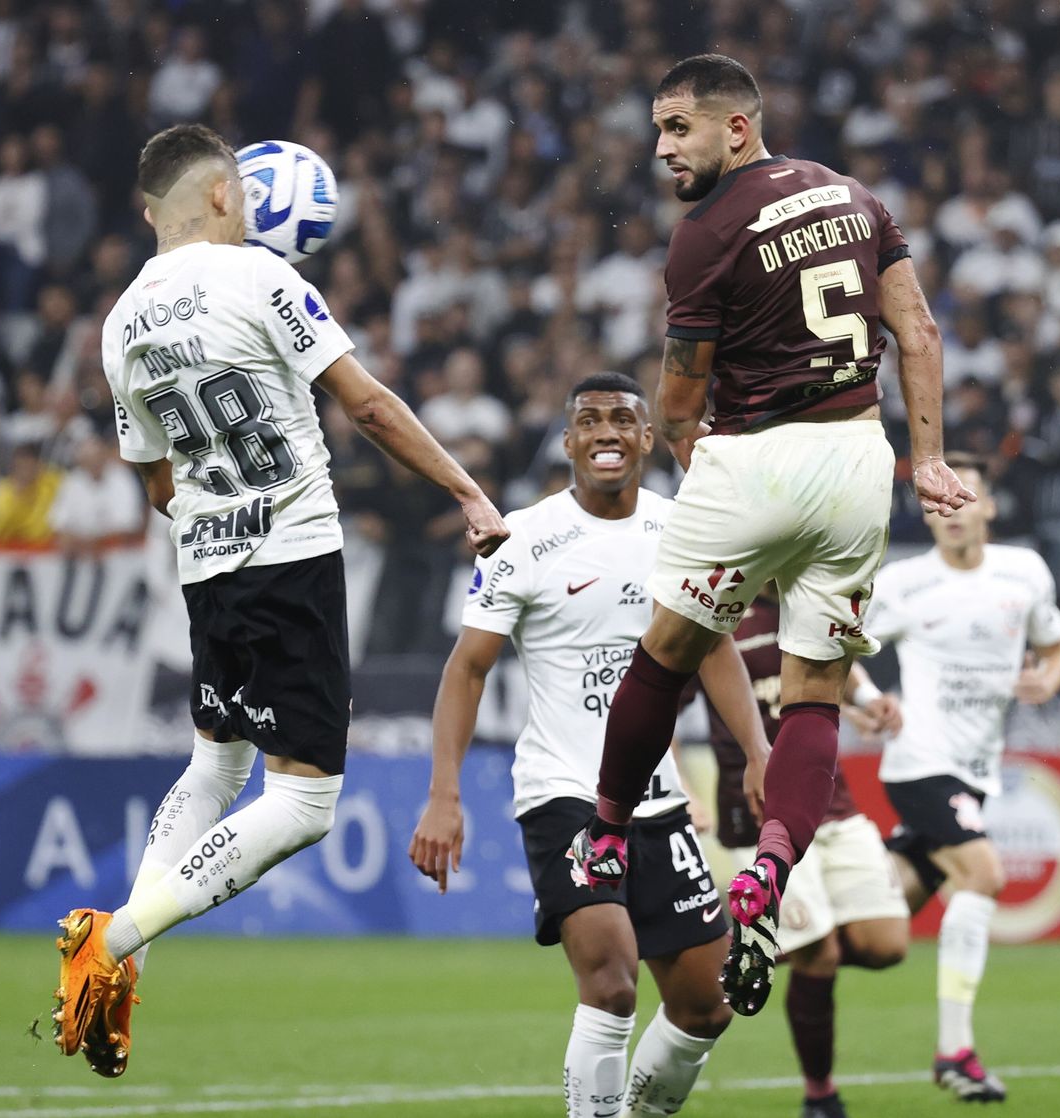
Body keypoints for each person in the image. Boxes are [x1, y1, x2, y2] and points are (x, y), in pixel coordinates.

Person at [52, 123, 508, 1078]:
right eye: (247, 199)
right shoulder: (260, 278)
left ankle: (114, 971)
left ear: (150, 212)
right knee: (304, 804)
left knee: (214, 767)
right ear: (222, 195)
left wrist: (219, 511)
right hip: (290, 562)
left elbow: (157, 486)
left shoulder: (120, 322)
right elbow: (369, 405)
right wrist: (466, 489)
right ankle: (117, 941)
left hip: (206, 570)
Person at [565, 53, 975, 1021]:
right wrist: (926, 459)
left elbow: (677, 394)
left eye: (677, 128)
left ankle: (608, 833)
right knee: (815, 695)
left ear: (735, 128)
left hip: (751, 456)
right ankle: (777, 864)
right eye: (657, 130)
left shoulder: (701, 233)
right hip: (852, 460)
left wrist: (687, 453)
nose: (661, 148)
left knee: (664, 655)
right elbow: (914, 330)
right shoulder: (857, 198)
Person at [410, 373, 770, 1118]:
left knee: (708, 1005)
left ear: (646, 438)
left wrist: (759, 752)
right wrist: (443, 795)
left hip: (659, 800)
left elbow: (716, 652)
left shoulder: (684, 531)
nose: (606, 432)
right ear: (569, 441)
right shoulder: (523, 538)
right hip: (563, 792)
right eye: (590, 421)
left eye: (623, 420)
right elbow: (466, 669)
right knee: (610, 980)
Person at [862, 451, 1060, 1102]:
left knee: (882, 921)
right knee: (984, 872)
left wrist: (1047, 677)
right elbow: (839, 649)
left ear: (989, 507)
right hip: (920, 762)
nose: (950, 513)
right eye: (937, 503)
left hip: (976, 770)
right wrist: (865, 701)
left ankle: (756, 947)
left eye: (963, 498)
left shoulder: (1024, 574)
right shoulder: (903, 585)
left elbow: (1057, 648)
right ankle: (956, 1052)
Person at [688, 587, 909, 1118]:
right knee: (821, 955)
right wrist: (682, 784)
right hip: (761, 813)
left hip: (832, 797)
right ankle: (820, 1095)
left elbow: (839, 662)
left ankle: (759, 947)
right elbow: (661, 697)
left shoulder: (810, 596)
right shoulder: (713, 610)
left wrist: (866, 698)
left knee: (886, 944)